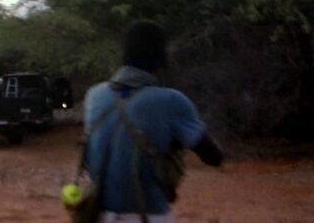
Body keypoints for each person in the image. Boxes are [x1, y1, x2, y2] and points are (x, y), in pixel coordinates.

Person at [84, 20, 223, 223]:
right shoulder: (171, 100)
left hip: (98, 215)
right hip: (149, 215)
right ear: (161, 58)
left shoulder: (94, 95)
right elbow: (213, 157)